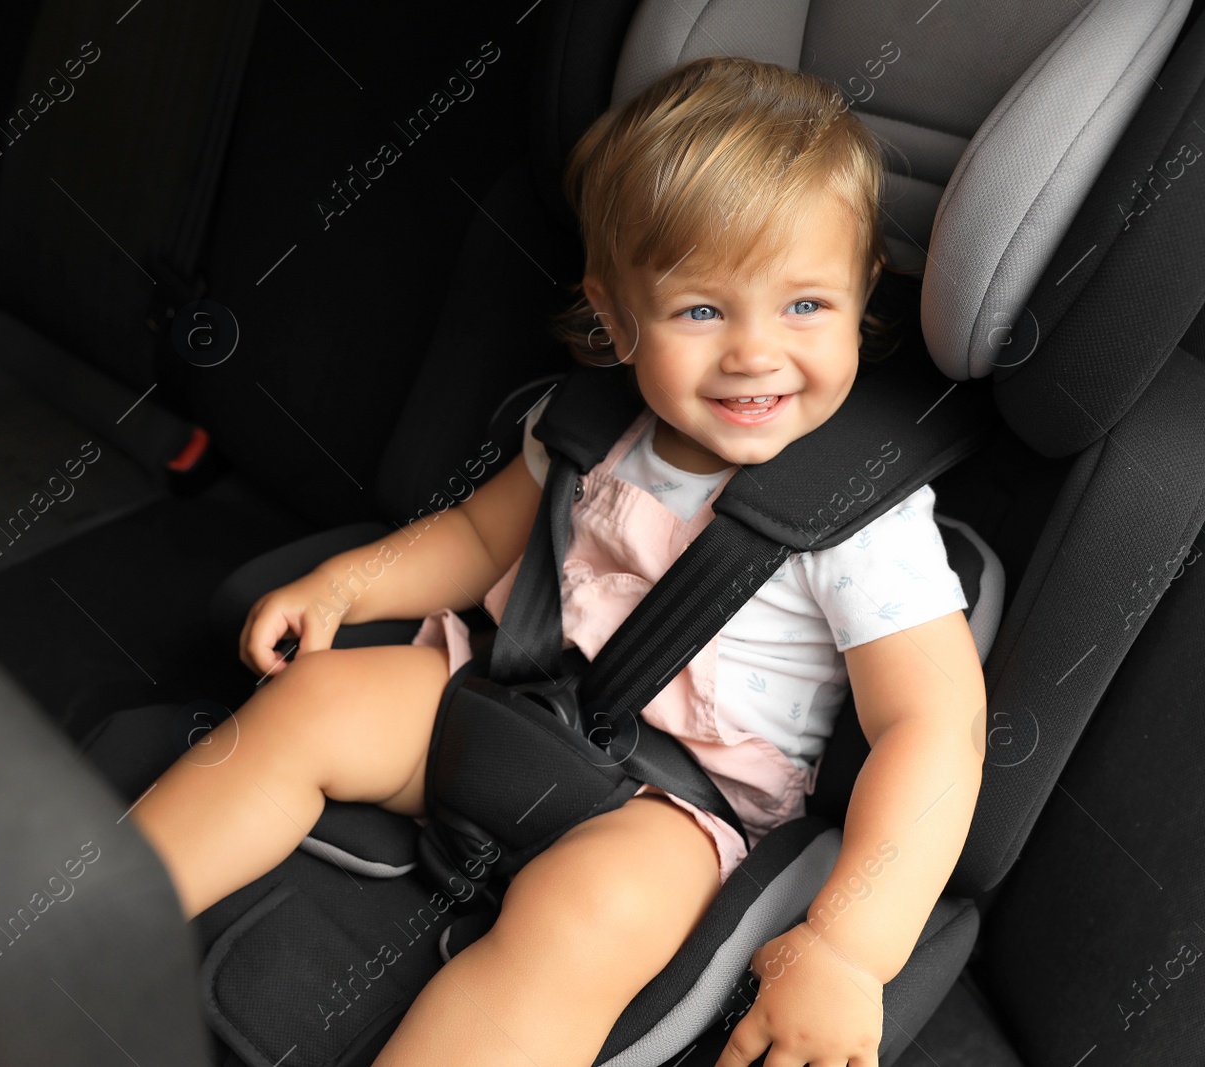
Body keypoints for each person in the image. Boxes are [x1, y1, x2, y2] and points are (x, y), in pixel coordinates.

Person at [131, 55, 987, 1067]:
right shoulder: (587, 424)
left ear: (861, 296)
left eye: (805, 306)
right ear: (616, 316)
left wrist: (849, 945)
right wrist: (345, 585)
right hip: (498, 697)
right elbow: (482, 539)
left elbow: (932, 728)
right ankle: (93, 916)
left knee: (593, 915)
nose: (756, 353)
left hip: (673, 807)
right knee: (310, 703)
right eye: (701, 311)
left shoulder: (859, 520)